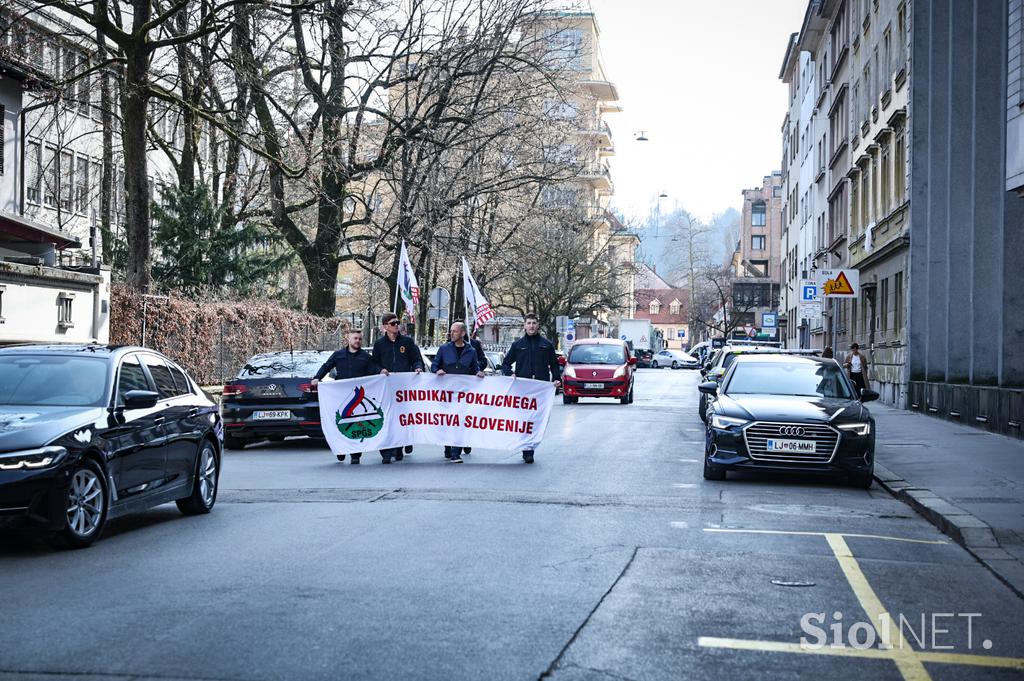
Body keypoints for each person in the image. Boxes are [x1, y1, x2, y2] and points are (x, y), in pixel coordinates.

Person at [312, 328, 385, 464]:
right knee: (341, 422)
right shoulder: (338, 355)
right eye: (355, 338)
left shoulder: (365, 357)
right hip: (341, 396)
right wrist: (317, 378)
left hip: (358, 397)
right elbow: (326, 366)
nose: (357, 341)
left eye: (359, 339)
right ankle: (341, 449)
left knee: (357, 424)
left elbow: (374, 367)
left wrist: (381, 371)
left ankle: (355, 455)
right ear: (349, 339)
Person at [501, 313, 561, 464]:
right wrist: (510, 373)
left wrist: (556, 378)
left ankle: (531, 446)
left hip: (541, 388)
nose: (531, 326)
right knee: (524, 418)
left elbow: (554, 364)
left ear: (537, 325)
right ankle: (527, 450)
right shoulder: (518, 345)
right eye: (529, 323)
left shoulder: (546, 344)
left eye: (534, 323)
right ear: (524, 325)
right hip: (523, 388)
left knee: (536, 419)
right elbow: (506, 363)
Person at [372, 312, 424, 464]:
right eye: (393, 323)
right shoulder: (379, 344)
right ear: (385, 327)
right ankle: (387, 451)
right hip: (387, 386)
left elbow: (416, 359)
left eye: (397, 323)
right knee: (388, 417)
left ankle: (401, 445)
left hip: (404, 386)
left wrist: (418, 368)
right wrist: (380, 370)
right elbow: (374, 363)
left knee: (402, 417)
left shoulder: (407, 342)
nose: (396, 325)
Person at [431, 321, 485, 463]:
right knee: (448, 421)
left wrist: (478, 373)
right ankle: (448, 448)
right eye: (451, 331)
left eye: (455, 331)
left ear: (462, 333)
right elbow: (434, 365)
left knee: (460, 422)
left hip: (463, 395)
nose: (451, 333)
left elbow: (475, 368)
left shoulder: (471, 351)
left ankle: (456, 453)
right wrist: (437, 370)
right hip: (447, 394)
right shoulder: (444, 349)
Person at [461, 325, 488, 455]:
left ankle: (467, 441)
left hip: (470, 385)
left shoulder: (474, 345)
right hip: (453, 387)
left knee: (467, 415)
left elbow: (483, 361)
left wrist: (476, 369)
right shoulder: (448, 345)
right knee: (451, 416)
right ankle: (449, 446)